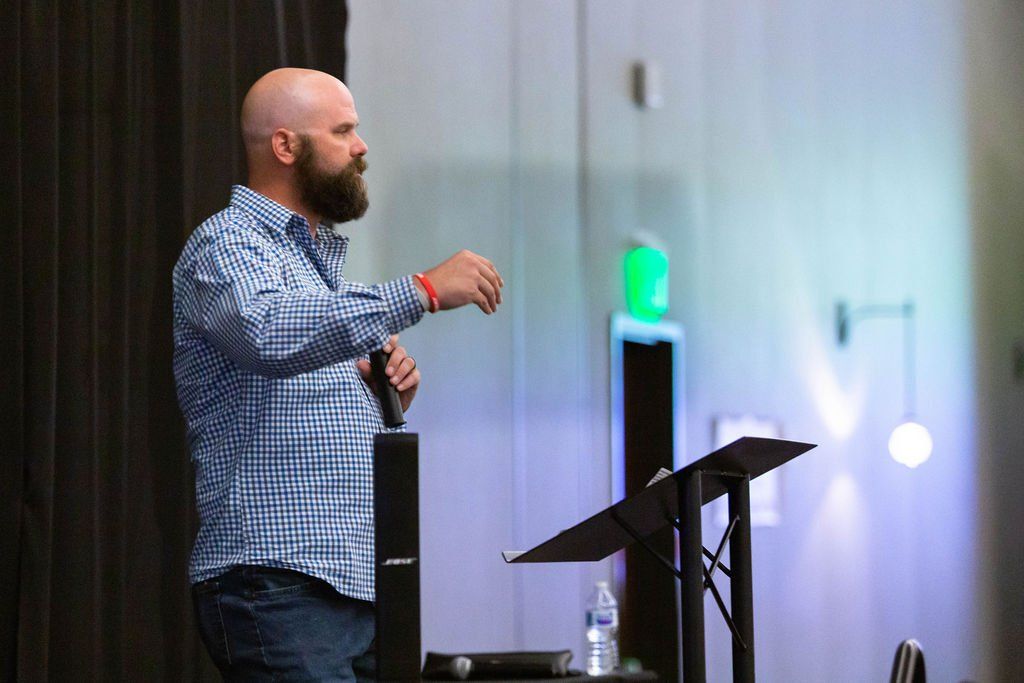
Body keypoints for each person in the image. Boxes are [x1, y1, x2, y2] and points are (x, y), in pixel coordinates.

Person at [172, 68, 504, 681]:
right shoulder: (225, 244)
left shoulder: (321, 272)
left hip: (358, 583)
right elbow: (269, 333)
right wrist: (423, 290)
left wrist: (382, 395)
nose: (361, 146)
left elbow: (307, 392)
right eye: (343, 130)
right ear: (285, 145)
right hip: (276, 579)